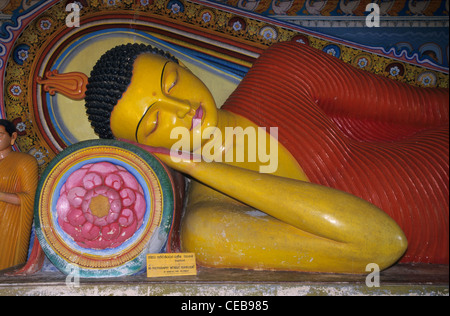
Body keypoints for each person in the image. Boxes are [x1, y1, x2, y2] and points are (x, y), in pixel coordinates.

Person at [84, 42, 448, 273]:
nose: (181, 108)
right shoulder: (207, 225)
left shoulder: (283, 70)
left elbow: (426, 109)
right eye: (153, 121)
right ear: (144, 150)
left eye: (172, 82)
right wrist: (197, 165)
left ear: (185, 67)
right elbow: (383, 243)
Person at [0, 119, 39, 271]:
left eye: (0, 135)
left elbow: (30, 199)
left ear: (13, 137)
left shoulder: (25, 162)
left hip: (10, 225)